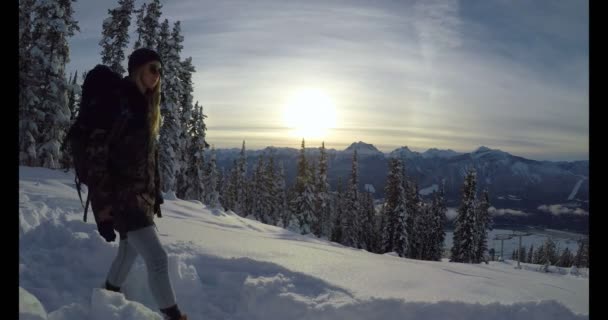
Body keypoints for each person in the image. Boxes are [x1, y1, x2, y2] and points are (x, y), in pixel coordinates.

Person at [90, 48, 187, 320]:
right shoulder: (120, 103)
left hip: (139, 198)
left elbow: (145, 158)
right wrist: (102, 207)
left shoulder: (143, 105)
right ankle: (174, 316)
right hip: (123, 199)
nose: (157, 75)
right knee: (157, 259)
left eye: (160, 70)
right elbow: (98, 157)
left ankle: (107, 297)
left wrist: (154, 193)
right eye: (152, 68)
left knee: (129, 252)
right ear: (137, 70)